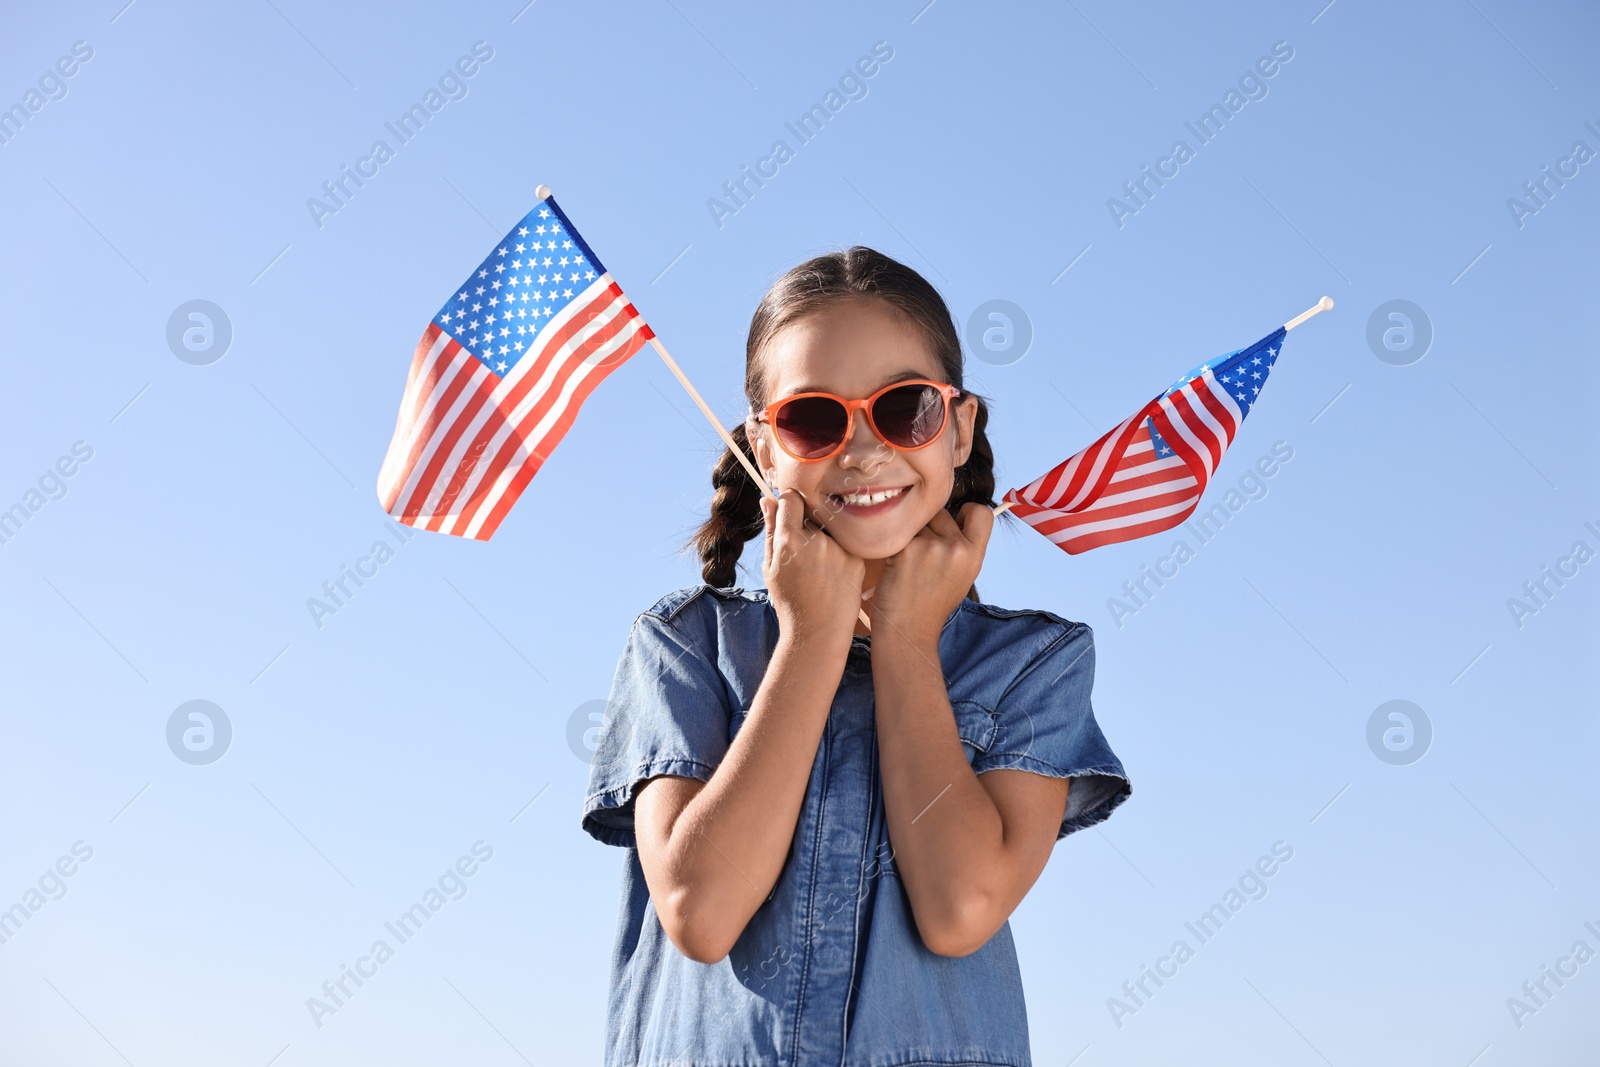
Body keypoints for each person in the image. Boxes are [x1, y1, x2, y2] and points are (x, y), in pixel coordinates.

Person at [581, 245, 1131, 1066]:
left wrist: (907, 640)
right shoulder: (686, 643)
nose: (865, 450)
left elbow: (960, 905)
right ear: (765, 447)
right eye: (814, 418)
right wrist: (809, 636)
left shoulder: (1032, 662)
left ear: (960, 427)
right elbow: (700, 910)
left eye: (906, 408)